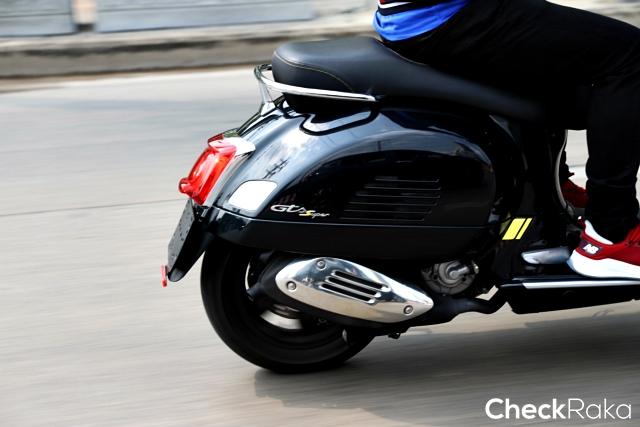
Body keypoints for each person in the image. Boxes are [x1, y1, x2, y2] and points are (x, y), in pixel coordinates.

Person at [374, 0, 640, 279]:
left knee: (565, 45)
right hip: (443, 17)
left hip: (417, 17)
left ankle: (549, 190)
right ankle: (610, 232)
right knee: (629, 55)